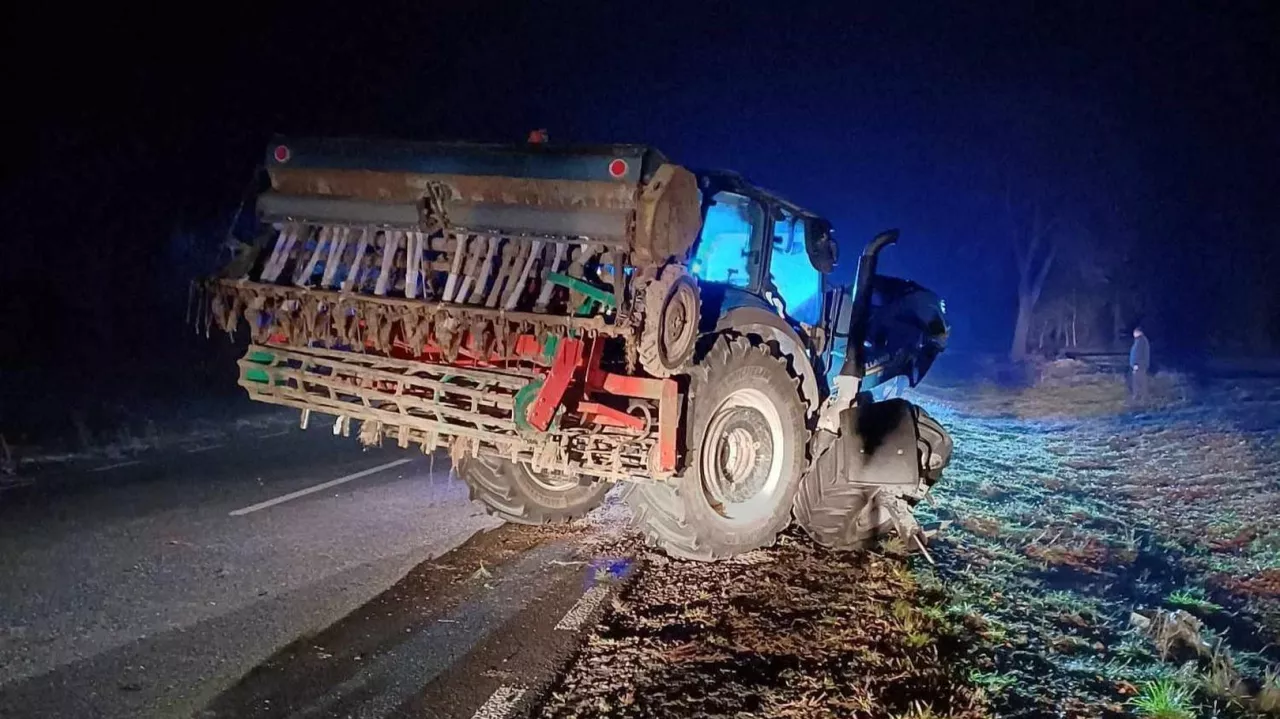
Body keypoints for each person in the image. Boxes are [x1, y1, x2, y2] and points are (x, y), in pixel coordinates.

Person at [1128, 326, 1151, 402]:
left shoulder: (1141, 341)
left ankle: (1140, 397)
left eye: (1135, 332)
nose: (1134, 334)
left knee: (1139, 381)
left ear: (1139, 332)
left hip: (1139, 366)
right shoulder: (1140, 340)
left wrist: (1136, 364)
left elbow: (1139, 354)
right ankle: (1140, 396)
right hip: (1139, 365)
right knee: (1138, 381)